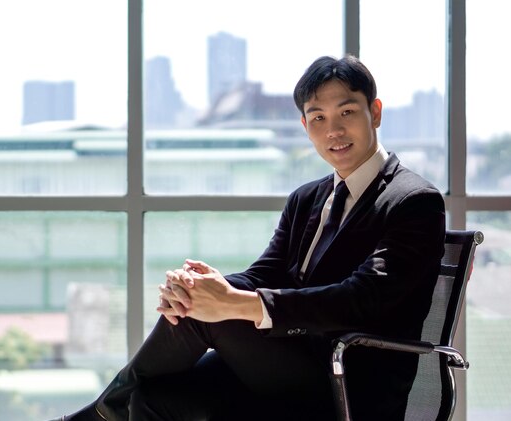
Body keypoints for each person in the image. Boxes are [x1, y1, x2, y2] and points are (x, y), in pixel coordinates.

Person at [49, 55, 446, 421]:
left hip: (349, 380)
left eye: (346, 112)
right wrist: (209, 287)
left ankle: (97, 416)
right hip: (286, 360)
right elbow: (264, 273)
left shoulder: (413, 200)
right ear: (306, 128)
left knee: (207, 318)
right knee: (151, 397)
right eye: (318, 118)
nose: (334, 130)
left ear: (374, 113)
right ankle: (112, 408)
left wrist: (232, 302)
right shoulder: (308, 198)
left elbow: (361, 299)